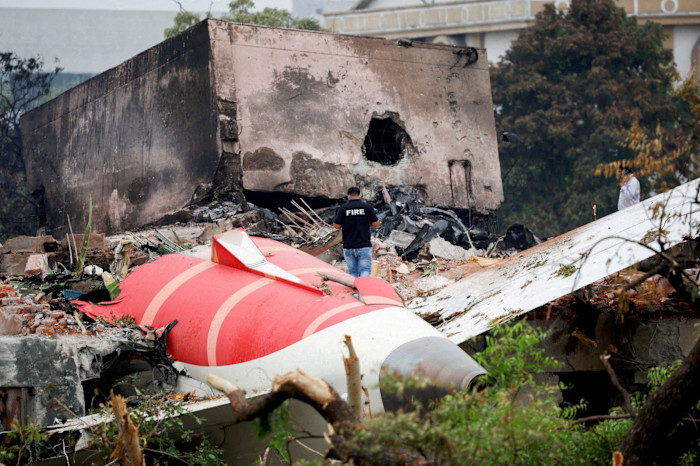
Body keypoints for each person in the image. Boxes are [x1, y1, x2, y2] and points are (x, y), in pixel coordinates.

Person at [333, 186, 380, 278]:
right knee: (365, 270)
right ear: (360, 196)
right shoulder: (367, 207)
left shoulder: (343, 208)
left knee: (352, 273)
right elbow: (376, 224)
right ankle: (363, 291)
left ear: (348, 196)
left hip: (348, 245)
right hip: (364, 245)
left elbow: (336, 226)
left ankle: (353, 291)